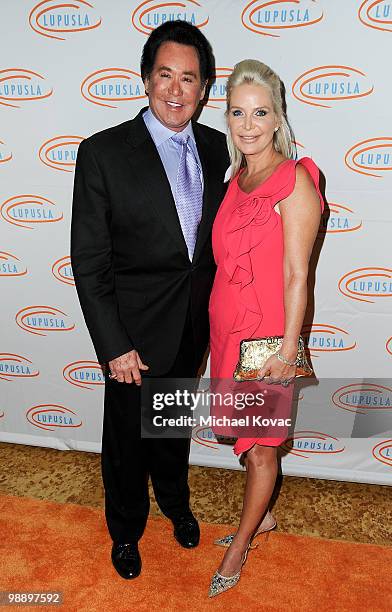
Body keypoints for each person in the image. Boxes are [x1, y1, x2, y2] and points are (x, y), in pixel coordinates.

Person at [71, 21, 229, 580]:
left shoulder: (217, 147)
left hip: (192, 327)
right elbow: (90, 263)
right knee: (127, 443)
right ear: (145, 79)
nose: (176, 89)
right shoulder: (103, 154)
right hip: (132, 338)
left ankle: (175, 503)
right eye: (166, 75)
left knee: (173, 431)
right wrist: (113, 345)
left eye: (190, 78)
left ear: (205, 88)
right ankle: (125, 530)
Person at [208, 59, 324, 597]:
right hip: (228, 332)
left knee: (261, 449)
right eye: (238, 112)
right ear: (227, 116)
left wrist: (286, 349)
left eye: (260, 112)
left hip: (266, 340)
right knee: (245, 441)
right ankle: (266, 519)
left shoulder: (293, 178)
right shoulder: (237, 177)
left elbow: (299, 272)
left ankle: (240, 546)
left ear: (278, 117)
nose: (248, 124)